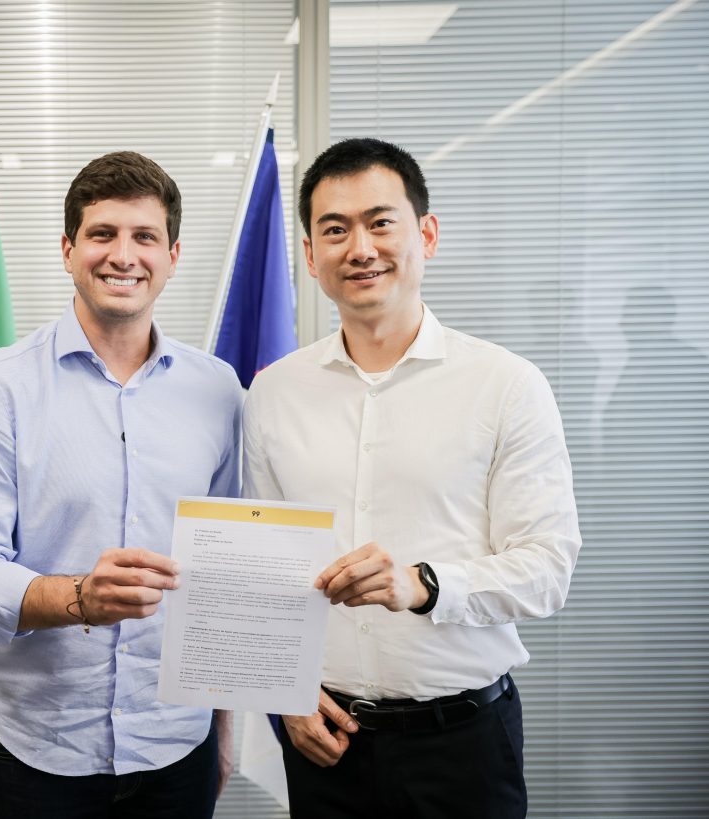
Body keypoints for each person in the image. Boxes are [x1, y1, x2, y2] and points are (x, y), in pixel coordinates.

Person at [243, 138, 581, 818]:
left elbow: (548, 568)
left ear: (425, 234)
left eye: (380, 222)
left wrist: (423, 584)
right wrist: (285, 691)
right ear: (310, 255)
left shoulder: (506, 385)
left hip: (462, 745)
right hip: (325, 741)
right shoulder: (274, 392)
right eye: (334, 230)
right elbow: (264, 563)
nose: (360, 248)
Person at [0, 151, 242, 818]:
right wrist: (78, 597)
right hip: (37, 758)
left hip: (177, 749)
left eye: (144, 236)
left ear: (173, 255)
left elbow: (224, 579)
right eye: (102, 234)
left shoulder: (220, 391)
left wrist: (226, 730)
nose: (122, 255)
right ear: (68, 250)